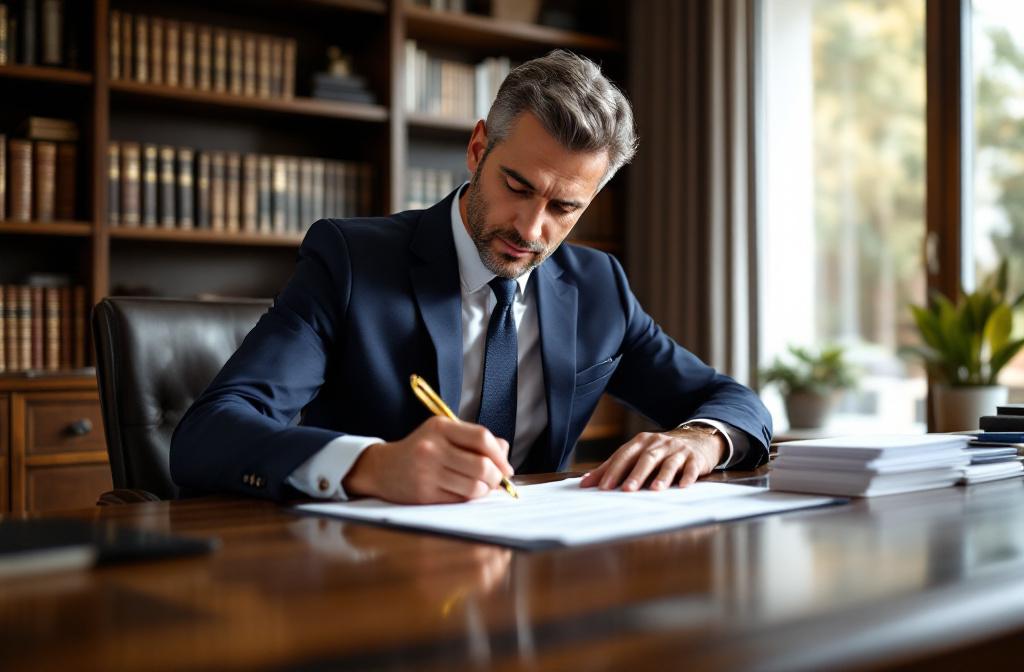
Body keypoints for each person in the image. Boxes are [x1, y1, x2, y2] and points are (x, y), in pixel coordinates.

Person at [170, 50, 772, 504]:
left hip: (535, 569)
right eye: (518, 187)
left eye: (565, 209)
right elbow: (208, 434)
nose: (532, 229)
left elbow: (735, 402)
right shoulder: (351, 261)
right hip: (367, 572)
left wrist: (701, 438)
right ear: (478, 147)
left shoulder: (598, 286)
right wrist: (372, 465)